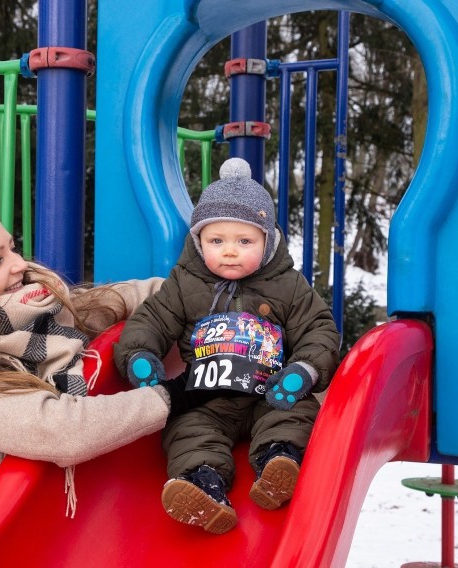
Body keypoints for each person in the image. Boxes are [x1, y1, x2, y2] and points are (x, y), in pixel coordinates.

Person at [0, 200, 196, 566]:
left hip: (48, 535)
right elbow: (62, 430)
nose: (18, 264)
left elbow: (122, 298)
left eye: (12, 247)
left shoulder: (36, 313)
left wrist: (206, 292)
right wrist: (176, 394)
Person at [114, 158, 341, 534]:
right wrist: (141, 354)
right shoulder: (185, 282)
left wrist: (304, 370)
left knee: (295, 416)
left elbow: (318, 330)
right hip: (205, 396)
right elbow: (152, 318)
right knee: (185, 429)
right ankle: (203, 484)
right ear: (199, 242)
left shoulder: (288, 285)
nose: (230, 251)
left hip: (271, 393)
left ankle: (279, 460)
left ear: (267, 242)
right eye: (216, 240)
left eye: (244, 241)